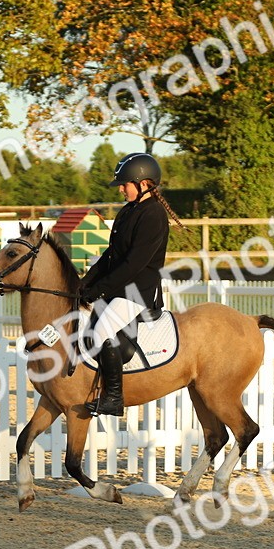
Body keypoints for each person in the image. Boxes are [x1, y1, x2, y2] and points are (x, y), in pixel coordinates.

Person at [78, 152, 177, 416]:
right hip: (119, 287)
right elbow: (110, 255)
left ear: (144, 184)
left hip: (138, 292)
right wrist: (84, 283)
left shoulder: (153, 215)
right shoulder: (128, 211)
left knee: (101, 332)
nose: (121, 189)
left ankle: (113, 398)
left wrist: (100, 289)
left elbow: (134, 263)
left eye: (125, 184)